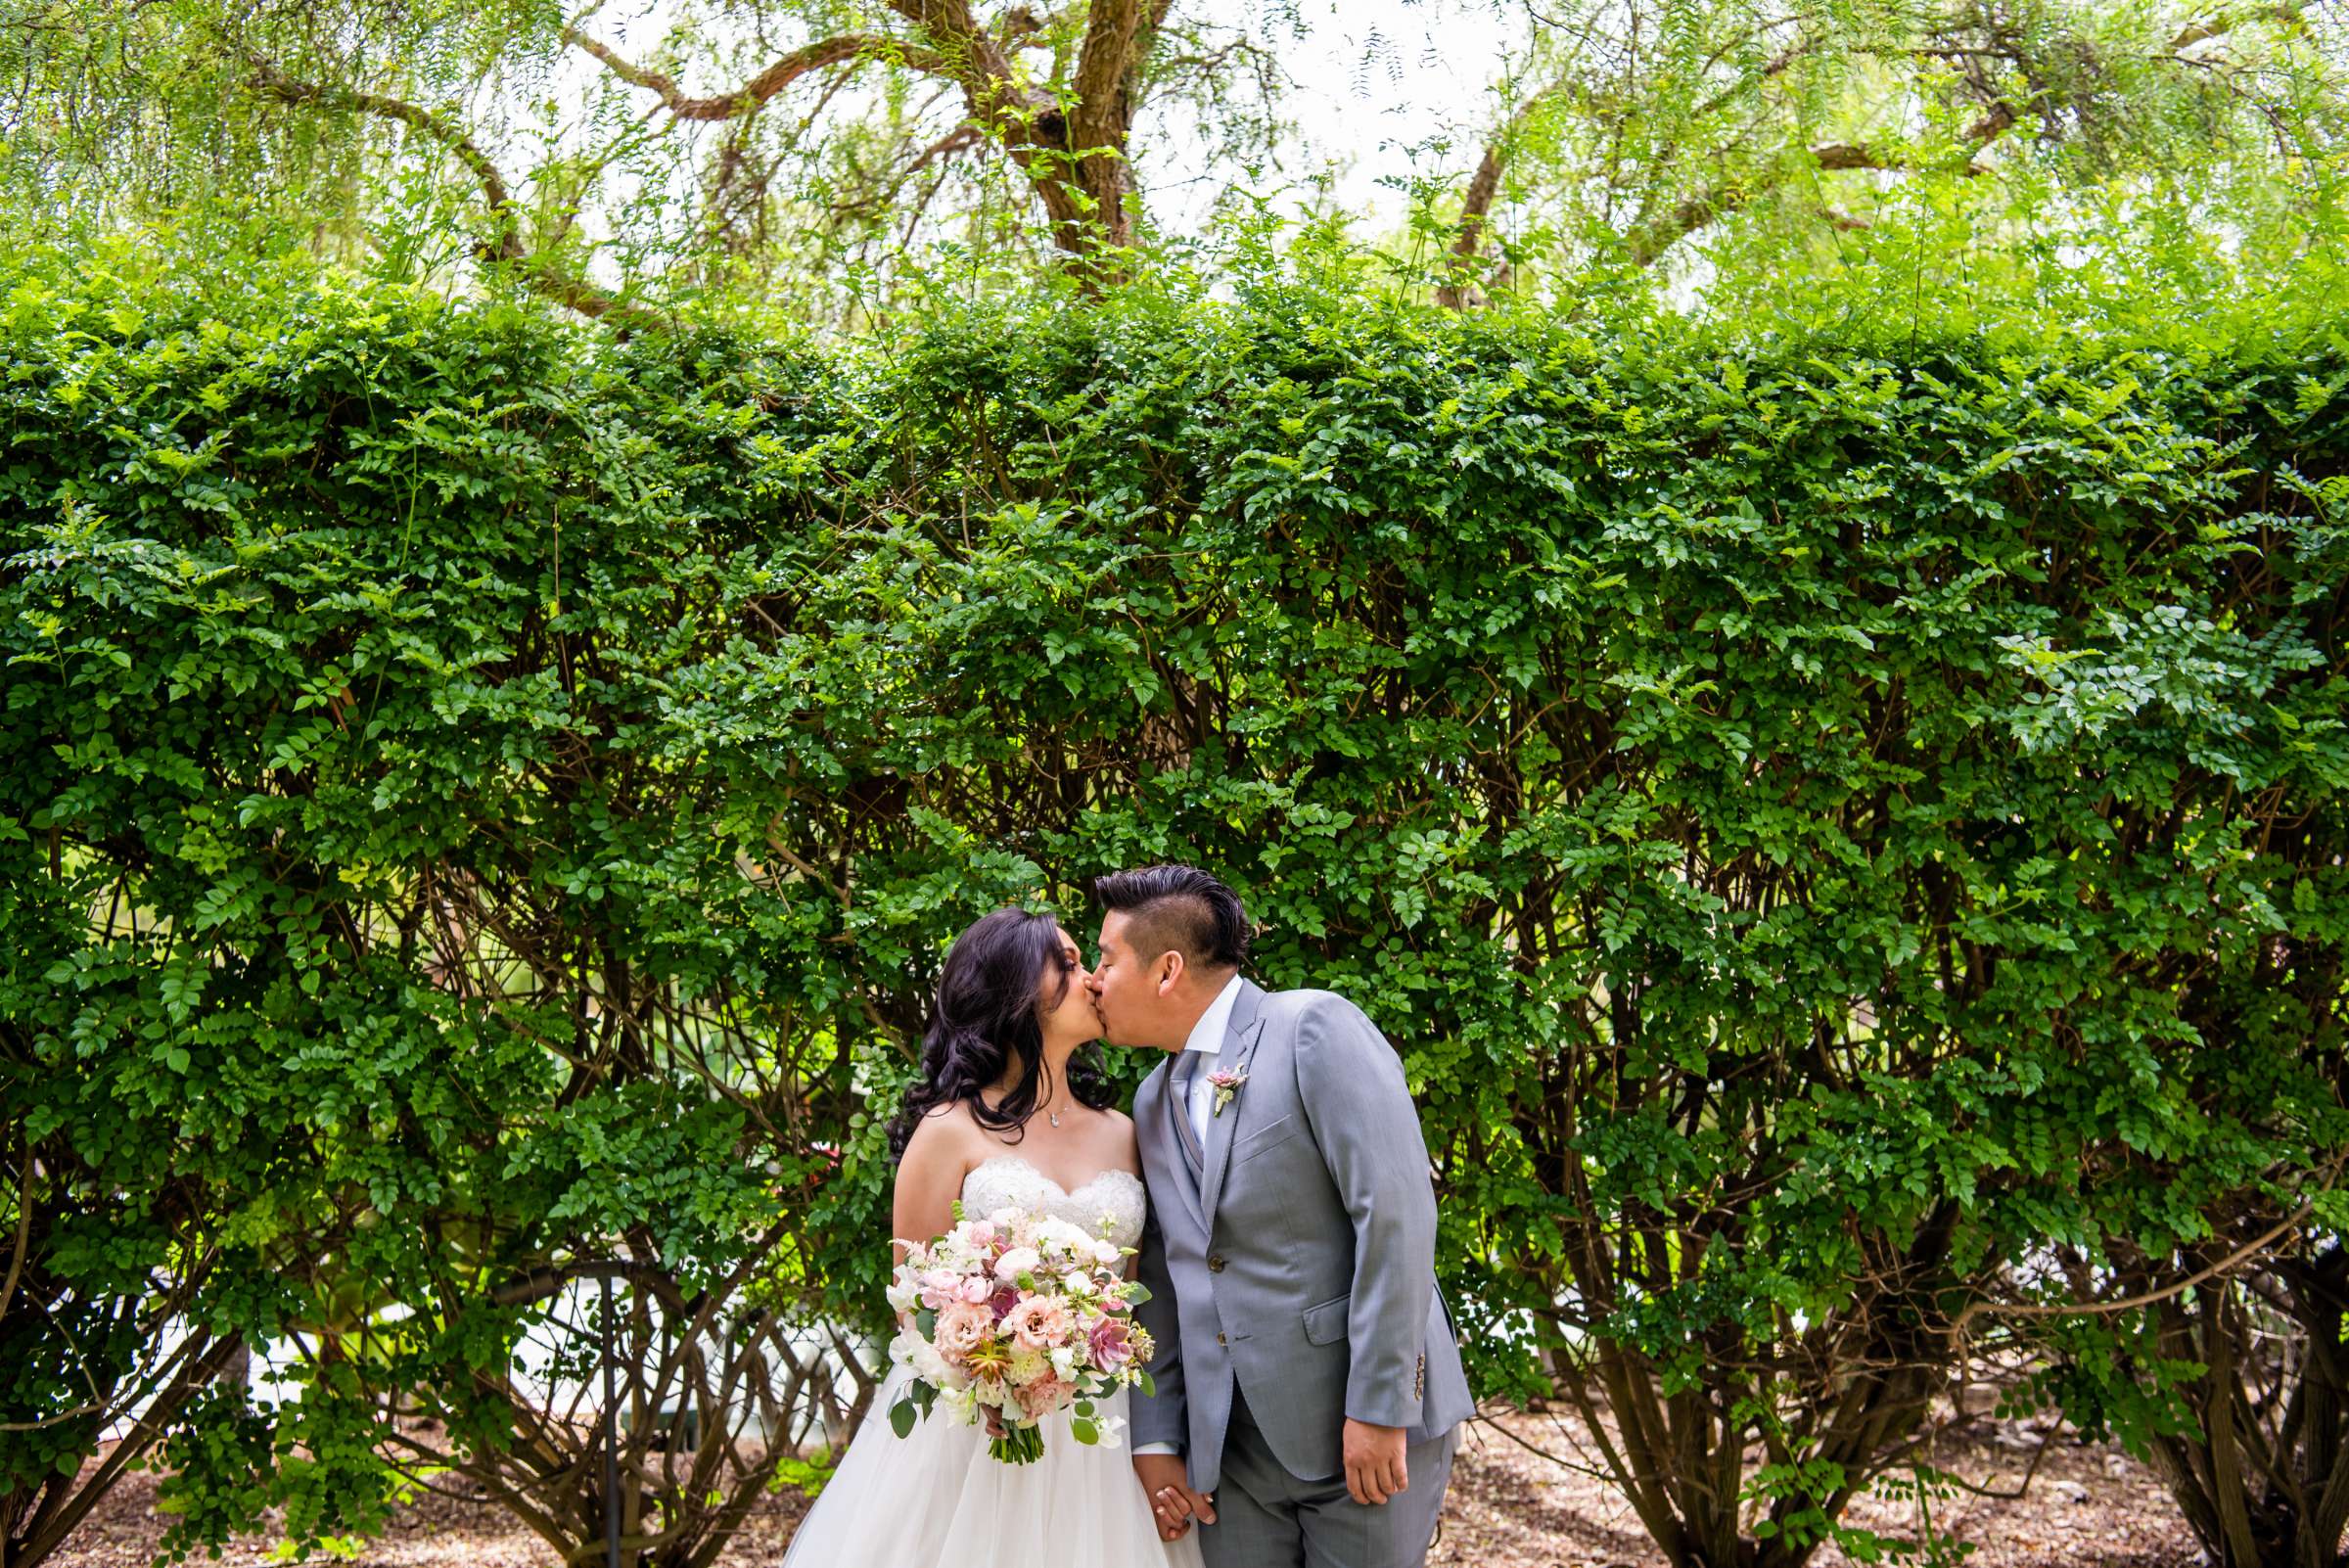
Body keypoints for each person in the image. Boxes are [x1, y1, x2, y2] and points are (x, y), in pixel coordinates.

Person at [779, 906, 1202, 1568]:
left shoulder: (1125, 1132)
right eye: (1066, 962)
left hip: (1103, 1431)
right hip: (979, 1425)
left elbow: (1150, 1299)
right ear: (1012, 990)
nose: (1090, 978)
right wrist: (996, 1361)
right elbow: (912, 1304)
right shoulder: (948, 1131)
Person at [1091, 864, 1475, 1568]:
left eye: (1106, 960)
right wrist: (1157, 1440)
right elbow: (1165, 1280)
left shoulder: (1311, 1030)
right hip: (1228, 1455)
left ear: (1167, 970)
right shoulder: (1150, 1101)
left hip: (1353, 1427)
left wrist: (1381, 1406)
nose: (1093, 980)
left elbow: (1395, 1216)